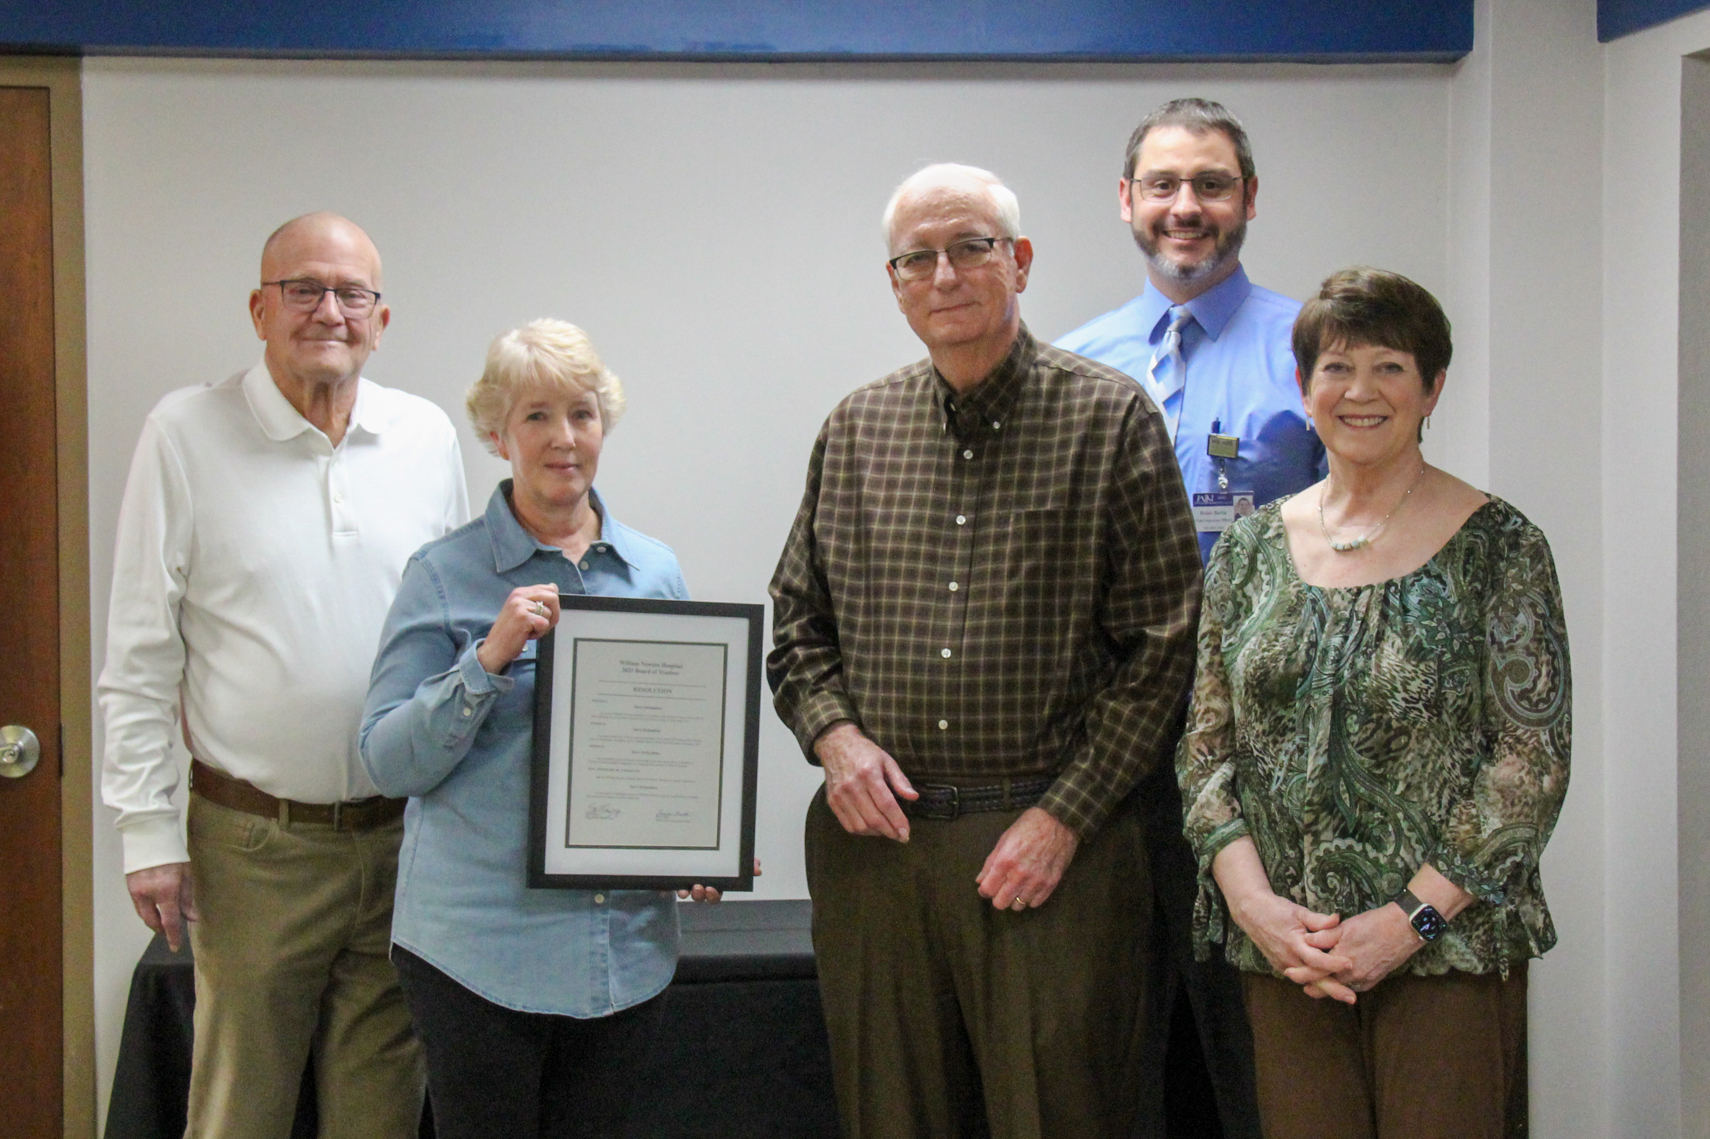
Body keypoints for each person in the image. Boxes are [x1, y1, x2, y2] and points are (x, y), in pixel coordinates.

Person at [769, 163, 1202, 1139]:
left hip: (1057, 853)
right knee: (893, 1116)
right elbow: (796, 622)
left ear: (1021, 261)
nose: (946, 273)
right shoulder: (857, 428)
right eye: (917, 257)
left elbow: (1167, 645)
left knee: (1064, 1116)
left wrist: (1065, 816)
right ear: (895, 281)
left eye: (971, 247)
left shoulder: (1108, 419)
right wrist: (835, 738)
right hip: (879, 855)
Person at [1177, 267, 1570, 1139]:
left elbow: (1529, 764)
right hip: (1290, 954)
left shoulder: (1501, 546)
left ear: (1433, 388)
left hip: (1447, 955)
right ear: (1303, 387)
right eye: (1337, 367)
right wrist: (1256, 909)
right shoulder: (1246, 551)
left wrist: (1407, 922)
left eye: (1391, 367)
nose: (1361, 391)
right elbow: (1205, 753)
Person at [99, 213, 468, 1138]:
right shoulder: (186, 432)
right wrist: (147, 829)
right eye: (302, 289)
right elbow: (142, 651)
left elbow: (460, 636)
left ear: (382, 320)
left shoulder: (424, 437)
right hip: (254, 847)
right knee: (241, 1112)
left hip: (401, 838)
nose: (328, 311)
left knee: (382, 1112)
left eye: (351, 293)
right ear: (258, 309)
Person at [361, 319, 742, 1139]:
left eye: (583, 413)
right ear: (497, 433)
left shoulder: (654, 571)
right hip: (478, 956)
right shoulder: (442, 573)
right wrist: (487, 660)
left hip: (625, 955)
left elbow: (674, 746)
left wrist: (701, 840)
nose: (564, 438)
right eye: (536, 416)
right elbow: (386, 759)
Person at [1056, 96, 1324, 1139]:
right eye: (1163, 184)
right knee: (1118, 1037)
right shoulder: (1073, 363)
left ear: (1248, 198)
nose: (1186, 207)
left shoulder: (1313, 351)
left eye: (1211, 184)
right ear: (1127, 201)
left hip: (1264, 756)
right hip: (1106, 749)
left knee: (1254, 1042)